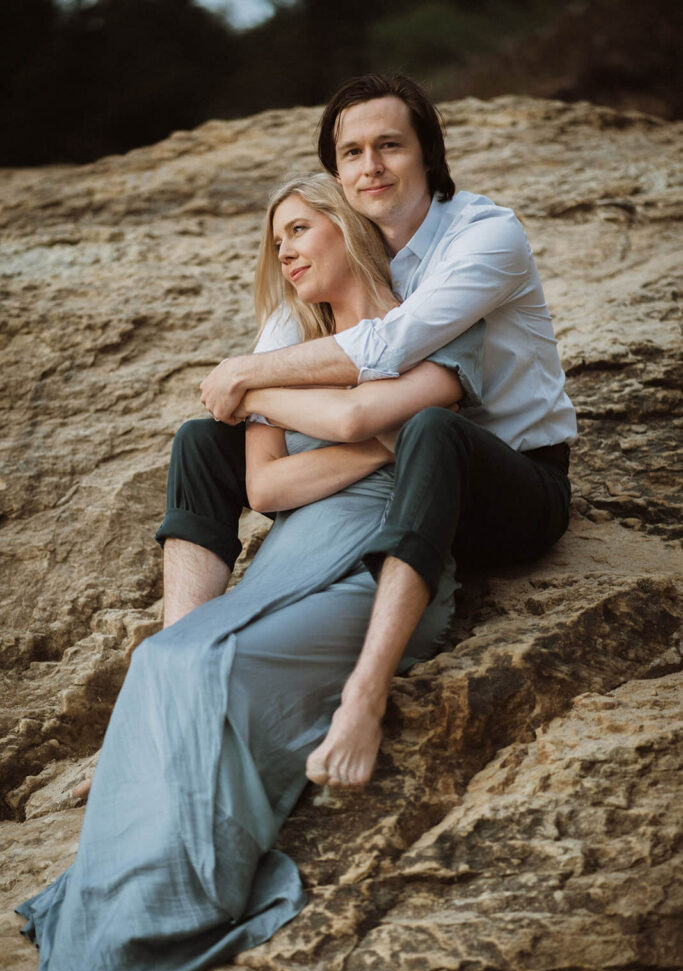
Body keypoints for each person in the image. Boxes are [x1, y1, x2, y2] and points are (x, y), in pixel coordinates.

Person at [20, 174, 473, 971]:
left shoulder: (430, 323)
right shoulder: (283, 344)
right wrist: (381, 440)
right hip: (293, 552)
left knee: (214, 675)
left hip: (380, 561)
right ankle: (98, 925)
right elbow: (266, 488)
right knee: (166, 661)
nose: (286, 251)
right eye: (277, 241)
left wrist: (339, 425)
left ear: (345, 227)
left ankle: (158, 933)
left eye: (300, 230)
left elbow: (425, 434)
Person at [161, 73, 577, 789]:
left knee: (429, 434)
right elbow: (261, 394)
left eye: (389, 145)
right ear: (336, 173)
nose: (370, 167)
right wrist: (252, 380)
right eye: (351, 153)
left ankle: (365, 694)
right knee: (202, 440)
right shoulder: (337, 251)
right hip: (394, 470)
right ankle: (166, 686)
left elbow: (386, 346)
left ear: (428, 155)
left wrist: (253, 380)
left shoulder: (483, 237)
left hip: (508, 482)